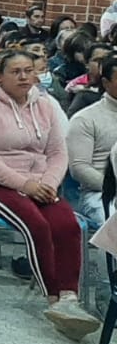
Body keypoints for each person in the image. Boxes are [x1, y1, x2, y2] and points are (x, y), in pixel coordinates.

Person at [0, 48, 100, 338]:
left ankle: (70, 298)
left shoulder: (44, 105)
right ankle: (53, 299)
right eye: (15, 71)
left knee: (67, 226)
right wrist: (25, 186)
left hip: (40, 182)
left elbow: (58, 152)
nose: (24, 77)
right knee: (36, 225)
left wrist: (47, 183)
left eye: (29, 70)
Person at [66, 58, 117, 226]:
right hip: (100, 193)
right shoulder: (85, 119)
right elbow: (79, 168)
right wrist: (112, 188)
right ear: (105, 82)